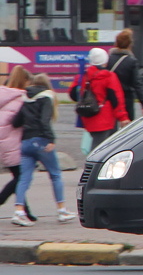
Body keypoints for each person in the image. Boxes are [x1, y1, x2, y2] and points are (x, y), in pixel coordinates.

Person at [11, 73, 72, 226]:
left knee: (24, 178)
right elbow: (45, 120)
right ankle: (62, 210)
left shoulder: (25, 99)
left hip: (25, 142)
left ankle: (18, 211)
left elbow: (16, 122)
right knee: (55, 174)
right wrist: (50, 139)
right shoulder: (47, 97)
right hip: (41, 140)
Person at [69, 48, 130, 151]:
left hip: (88, 115)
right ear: (105, 61)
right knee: (99, 148)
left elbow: (73, 95)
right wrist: (123, 117)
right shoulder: (109, 76)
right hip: (104, 118)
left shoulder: (83, 76)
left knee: (99, 144)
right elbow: (116, 99)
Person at [0, 67, 33, 222]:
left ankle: (25, 211)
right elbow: (18, 121)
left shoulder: (5, 95)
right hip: (12, 141)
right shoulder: (21, 99)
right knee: (21, 177)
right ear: (24, 81)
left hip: (3, 141)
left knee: (19, 176)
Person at [107, 29, 143, 121]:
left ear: (116, 43)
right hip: (126, 99)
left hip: (110, 97)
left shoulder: (108, 59)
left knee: (112, 127)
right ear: (130, 44)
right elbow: (137, 83)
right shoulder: (131, 61)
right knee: (127, 127)